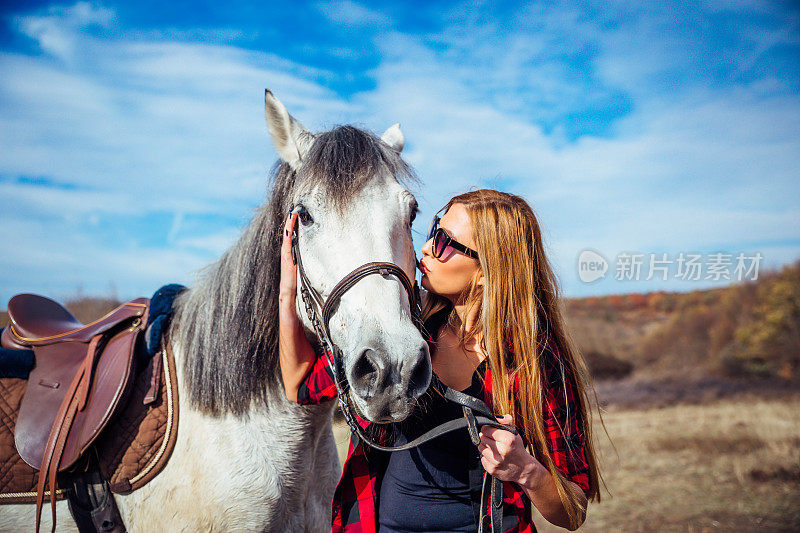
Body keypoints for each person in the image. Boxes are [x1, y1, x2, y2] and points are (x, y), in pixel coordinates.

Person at [279, 189, 603, 532]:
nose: (426, 247)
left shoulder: (535, 363)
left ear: (484, 272)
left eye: (446, 241)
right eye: (435, 229)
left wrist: (527, 470)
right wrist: (288, 291)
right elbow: (299, 385)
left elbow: (573, 512)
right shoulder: (407, 330)